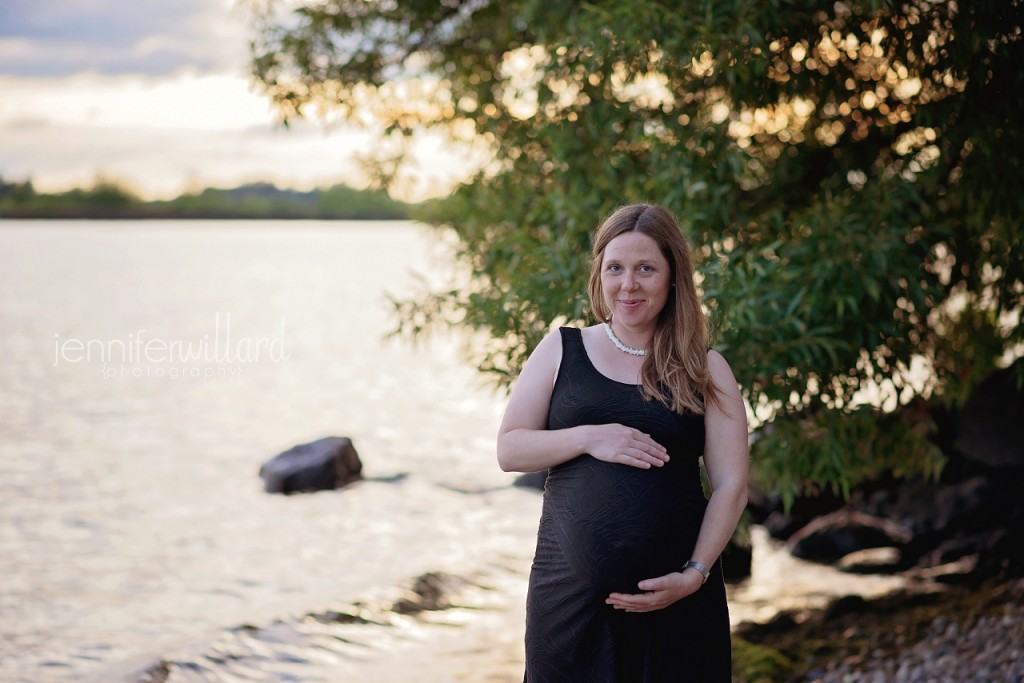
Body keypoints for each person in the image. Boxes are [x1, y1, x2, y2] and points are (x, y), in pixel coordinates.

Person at [497, 203, 749, 681]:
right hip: (569, 608)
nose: (628, 284)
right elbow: (510, 450)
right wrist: (590, 437)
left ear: (673, 277)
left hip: (677, 604)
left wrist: (693, 576)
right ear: (599, 274)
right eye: (615, 268)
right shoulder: (561, 349)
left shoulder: (705, 368)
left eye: (645, 269)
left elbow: (732, 481)